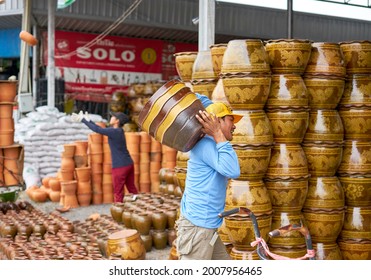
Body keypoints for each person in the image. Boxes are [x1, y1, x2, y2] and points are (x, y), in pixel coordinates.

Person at [176, 102, 243, 260]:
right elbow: (233, 171)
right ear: (217, 121)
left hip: (207, 227)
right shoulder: (206, 145)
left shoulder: (213, 144)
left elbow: (199, 97)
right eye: (230, 120)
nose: (234, 126)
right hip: (198, 228)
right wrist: (218, 133)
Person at [71, 111, 139, 202]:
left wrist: (83, 120)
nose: (111, 118)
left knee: (118, 190)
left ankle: (118, 208)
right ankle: (137, 199)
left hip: (120, 166)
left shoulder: (114, 132)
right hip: (128, 163)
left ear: (117, 121)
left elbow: (98, 130)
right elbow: (99, 128)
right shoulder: (119, 131)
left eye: (113, 117)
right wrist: (89, 121)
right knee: (130, 185)